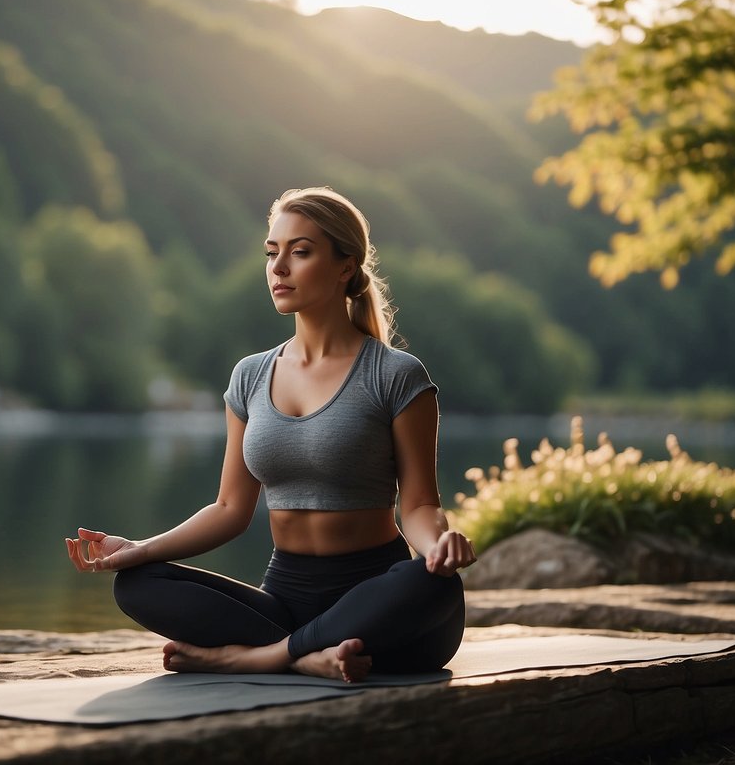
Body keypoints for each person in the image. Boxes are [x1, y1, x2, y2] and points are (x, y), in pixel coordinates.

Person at [65, 186, 476, 683]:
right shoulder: (250, 376)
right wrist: (140, 547)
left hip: (377, 603)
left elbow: (417, 506)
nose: (278, 268)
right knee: (137, 585)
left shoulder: (395, 374)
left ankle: (254, 659)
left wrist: (437, 546)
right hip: (285, 602)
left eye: (300, 252)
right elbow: (228, 510)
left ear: (346, 265)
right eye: (272, 252)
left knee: (433, 585)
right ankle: (304, 655)